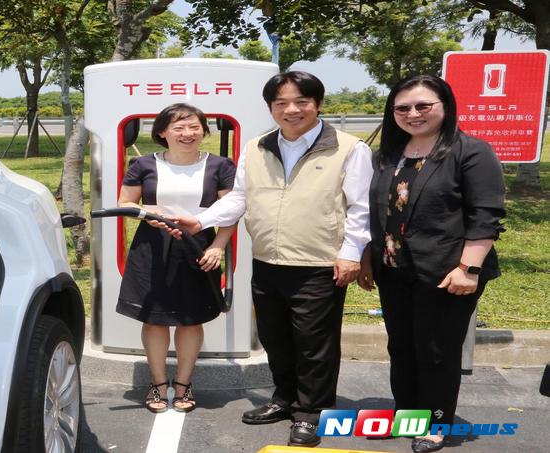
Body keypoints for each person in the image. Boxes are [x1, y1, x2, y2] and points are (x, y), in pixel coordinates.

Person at [169, 71, 373, 447]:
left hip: (318, 263)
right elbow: (239, 198)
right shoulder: (256, 147)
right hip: (267, 260)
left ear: (318, 104)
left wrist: (350, 254)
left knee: (314, 343)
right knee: (275, 338)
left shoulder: (347, 148)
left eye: (301, 102)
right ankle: (283, 399)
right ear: (271, 108)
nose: (291, 110)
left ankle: (312, 412)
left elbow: (361, 209)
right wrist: (201, 220)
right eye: (281, 103)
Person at [357, 75, 505, 453]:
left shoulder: (470, 151)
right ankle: (408, 415)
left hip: (447, 272)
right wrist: (368, 259)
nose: (413, 114)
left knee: (436, 350)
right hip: (394, 269)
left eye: (424, 106)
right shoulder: (389, 154)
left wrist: (469, 268)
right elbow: (375, 211)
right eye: (403, 107)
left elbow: (485, 215)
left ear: (445, 106)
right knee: (402, 347)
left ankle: (437, 424)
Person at [116, 103, 236, 414]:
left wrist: (218, 246)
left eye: (194, 126)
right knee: (154, 320)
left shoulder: (221, 166)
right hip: (152, 249)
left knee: (190, 318)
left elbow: (231, 213)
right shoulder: (143, 164)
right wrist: (152, 212)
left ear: (204, 131)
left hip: (199, 249)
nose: (187, 133)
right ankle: (157, 384)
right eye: (178, 127)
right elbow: (125, 202)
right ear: (162, 132)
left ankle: (183, 385)